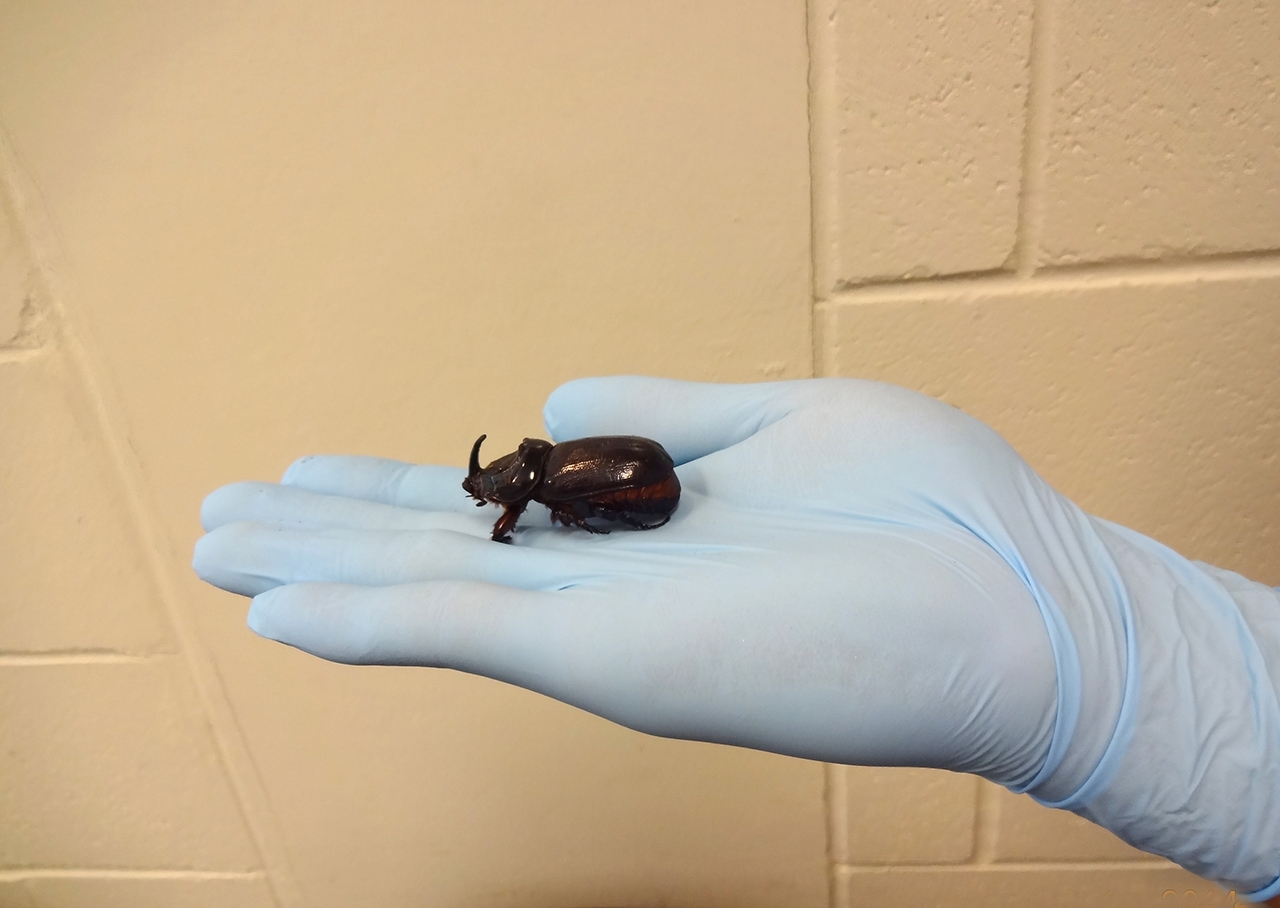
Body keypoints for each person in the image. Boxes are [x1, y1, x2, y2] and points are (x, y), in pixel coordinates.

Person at [193, 377, 1280, 902]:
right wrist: (1176, 670)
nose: (493, 497)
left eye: (496, 491)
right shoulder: (542, 471)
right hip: (634, 480)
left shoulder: (551, 478)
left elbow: (620, 484)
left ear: (516, 487)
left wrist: (1139, 668)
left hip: (637, 487)